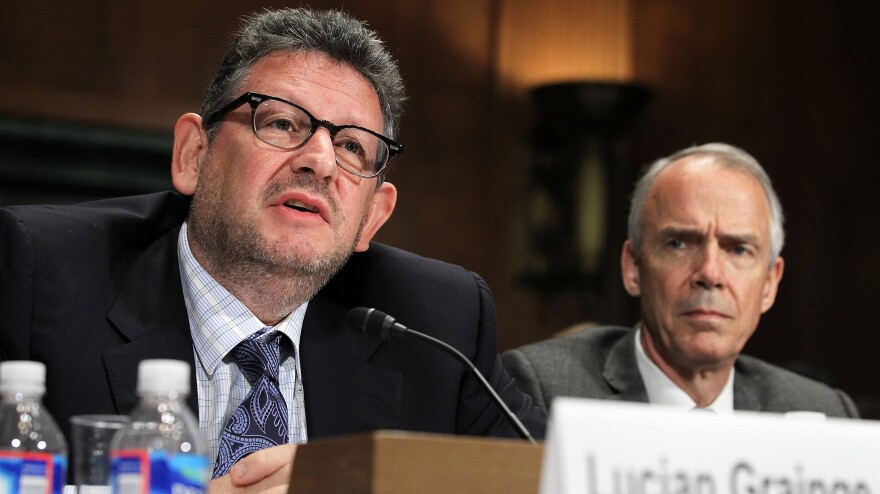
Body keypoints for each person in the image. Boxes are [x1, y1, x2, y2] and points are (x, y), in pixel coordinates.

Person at [0, 8, 545, 492]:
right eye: (283, 122)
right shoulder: (37, 273)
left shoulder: (437, 323)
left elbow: (557, 476)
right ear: (193, 155)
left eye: (352, 146)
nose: (320, 161)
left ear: (372, 217)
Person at [503, 143, 859, 418]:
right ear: (633, 268)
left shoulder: (826, 412)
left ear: (769, 284)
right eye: (678, 243)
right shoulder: (544, 392)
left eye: (737, 249)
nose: (710, 274)